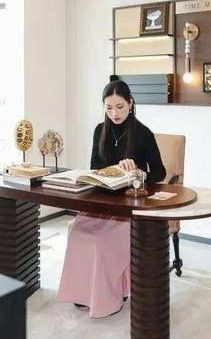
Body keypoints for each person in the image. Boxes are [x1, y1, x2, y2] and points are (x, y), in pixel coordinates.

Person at [56, 80, 166, 318]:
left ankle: (112, 295)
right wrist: (107, 172)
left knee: (102, 240)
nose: (114, 113)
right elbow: (94, 166)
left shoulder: (143, 133)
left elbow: (160, 172)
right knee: (77, 231)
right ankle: (84, 292)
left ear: (130, 104)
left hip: (128, 209)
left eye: (120, 107)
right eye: (109, 108)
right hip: (102, 203)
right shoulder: (100, 130)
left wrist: (138, 172)